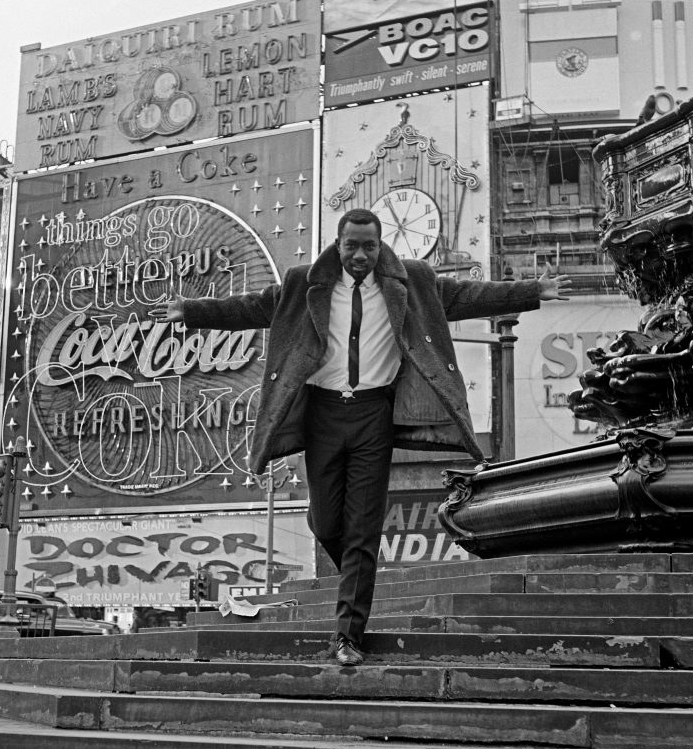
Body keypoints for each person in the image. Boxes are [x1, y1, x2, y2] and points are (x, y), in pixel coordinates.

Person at [166, 208, 571, 666]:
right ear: (338, 245)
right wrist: (192, 312)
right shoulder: (304, 284)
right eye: (352, 246)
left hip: (373, 415)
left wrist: (534, 291)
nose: (360, 255)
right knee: (324, 523)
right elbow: (253, 306)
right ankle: (358, 584)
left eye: (369, 246)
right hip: (321, 414)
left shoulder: (412, 282)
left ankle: (348, 636)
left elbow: (468, 294)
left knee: (362, 530)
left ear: (382, 247)